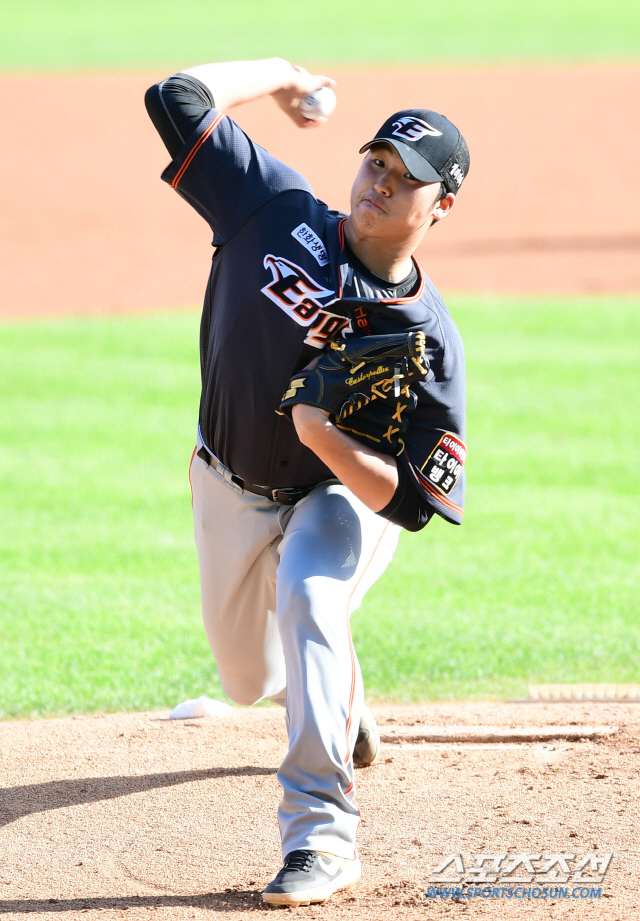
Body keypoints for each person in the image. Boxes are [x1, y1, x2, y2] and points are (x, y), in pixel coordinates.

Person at [145, 58, 469, 907]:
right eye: (376, 162)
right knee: (245, 679)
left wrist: (323, 436)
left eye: (408, 179)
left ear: (442, 205)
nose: (381, 184)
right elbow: (174, 99)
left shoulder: (428, 338)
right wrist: (284, 75)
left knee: (311, 594)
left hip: (339, 500)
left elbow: (416, 501)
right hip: (227, 482)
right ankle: (336, 696)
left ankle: (321, 837)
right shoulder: (274, 209)